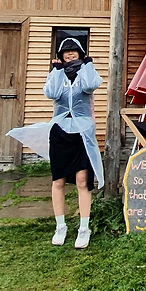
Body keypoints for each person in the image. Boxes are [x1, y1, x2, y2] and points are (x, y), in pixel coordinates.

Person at [45, 37, 104, 248]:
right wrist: (56, 71)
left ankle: (84, 228)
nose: (70, 54)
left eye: (74, 51)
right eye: (65, 51)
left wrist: (87, 65)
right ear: (60, 56)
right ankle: (60, 226)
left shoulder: (86, 72)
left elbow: (90, 85)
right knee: (58, 181)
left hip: (82, 134)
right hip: (60, 132)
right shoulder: (57, 74)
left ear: (80, 53)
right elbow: (51, 93)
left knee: (82, 180)